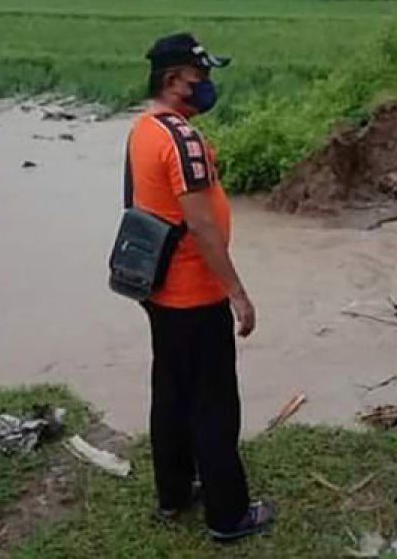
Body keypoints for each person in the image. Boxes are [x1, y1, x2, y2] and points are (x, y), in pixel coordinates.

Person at [125, 32, 275, 542]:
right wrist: (237, 292)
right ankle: (228, 515)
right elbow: (203, 226)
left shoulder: (143, 129)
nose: (207, 86)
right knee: (214, 404)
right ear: (174, 81)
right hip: (194, 291)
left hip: (158, 290)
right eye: (200, 77)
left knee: (170, 392)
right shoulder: (182, 139)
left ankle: (174, 493)